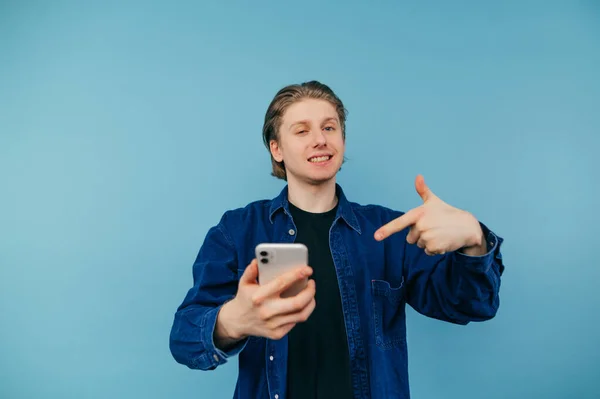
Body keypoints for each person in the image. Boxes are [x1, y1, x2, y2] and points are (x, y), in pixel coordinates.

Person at [169, 81, 505, 399]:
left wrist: (473, 241)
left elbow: (472, 305)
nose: (320, 140)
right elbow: (184, 339)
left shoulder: (389, 231)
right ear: (277, 149)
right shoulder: (237, 230)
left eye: (329, 128)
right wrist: (232, 321)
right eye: (302, 131)